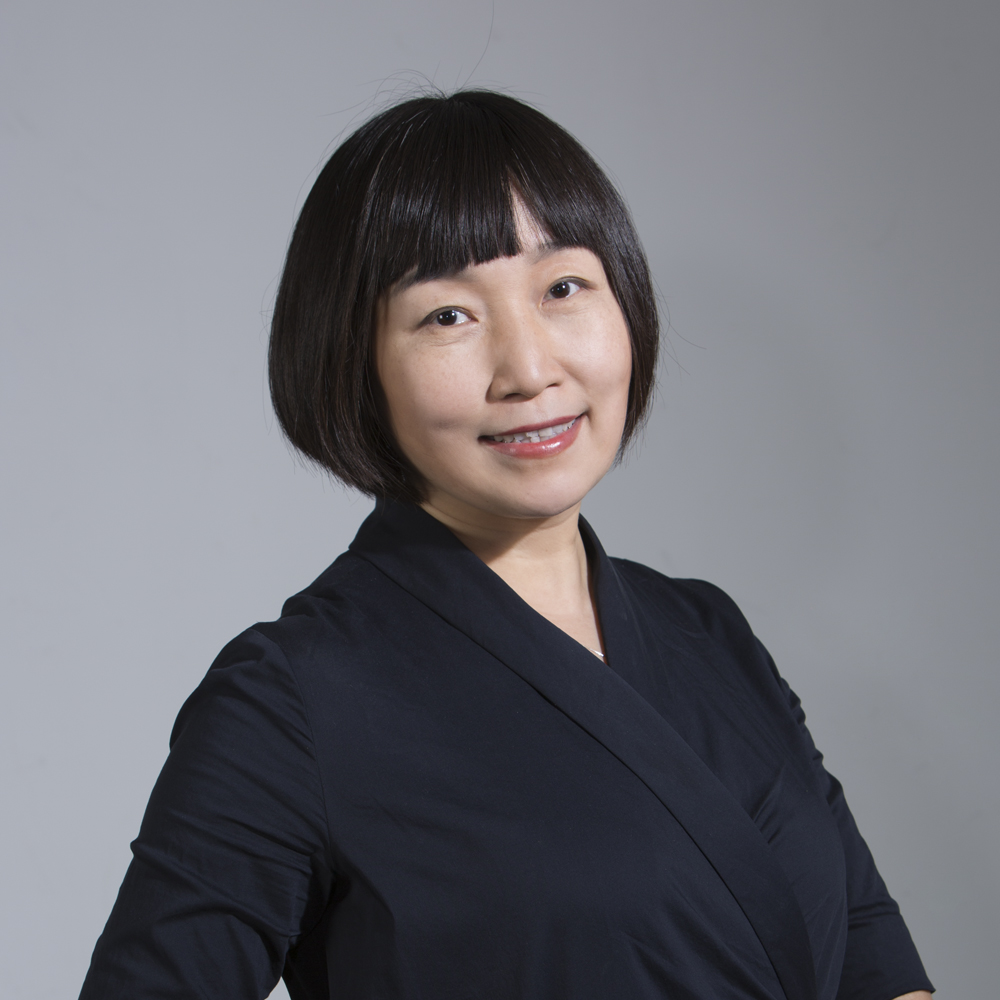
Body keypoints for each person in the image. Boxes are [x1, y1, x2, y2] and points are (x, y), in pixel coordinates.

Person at [79, 90, 934, 1000]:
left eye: (563, 288)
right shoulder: (291, 701)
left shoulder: (709, 632)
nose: (529, 369)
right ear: (352, 361)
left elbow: (867, 948)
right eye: (448, 315)